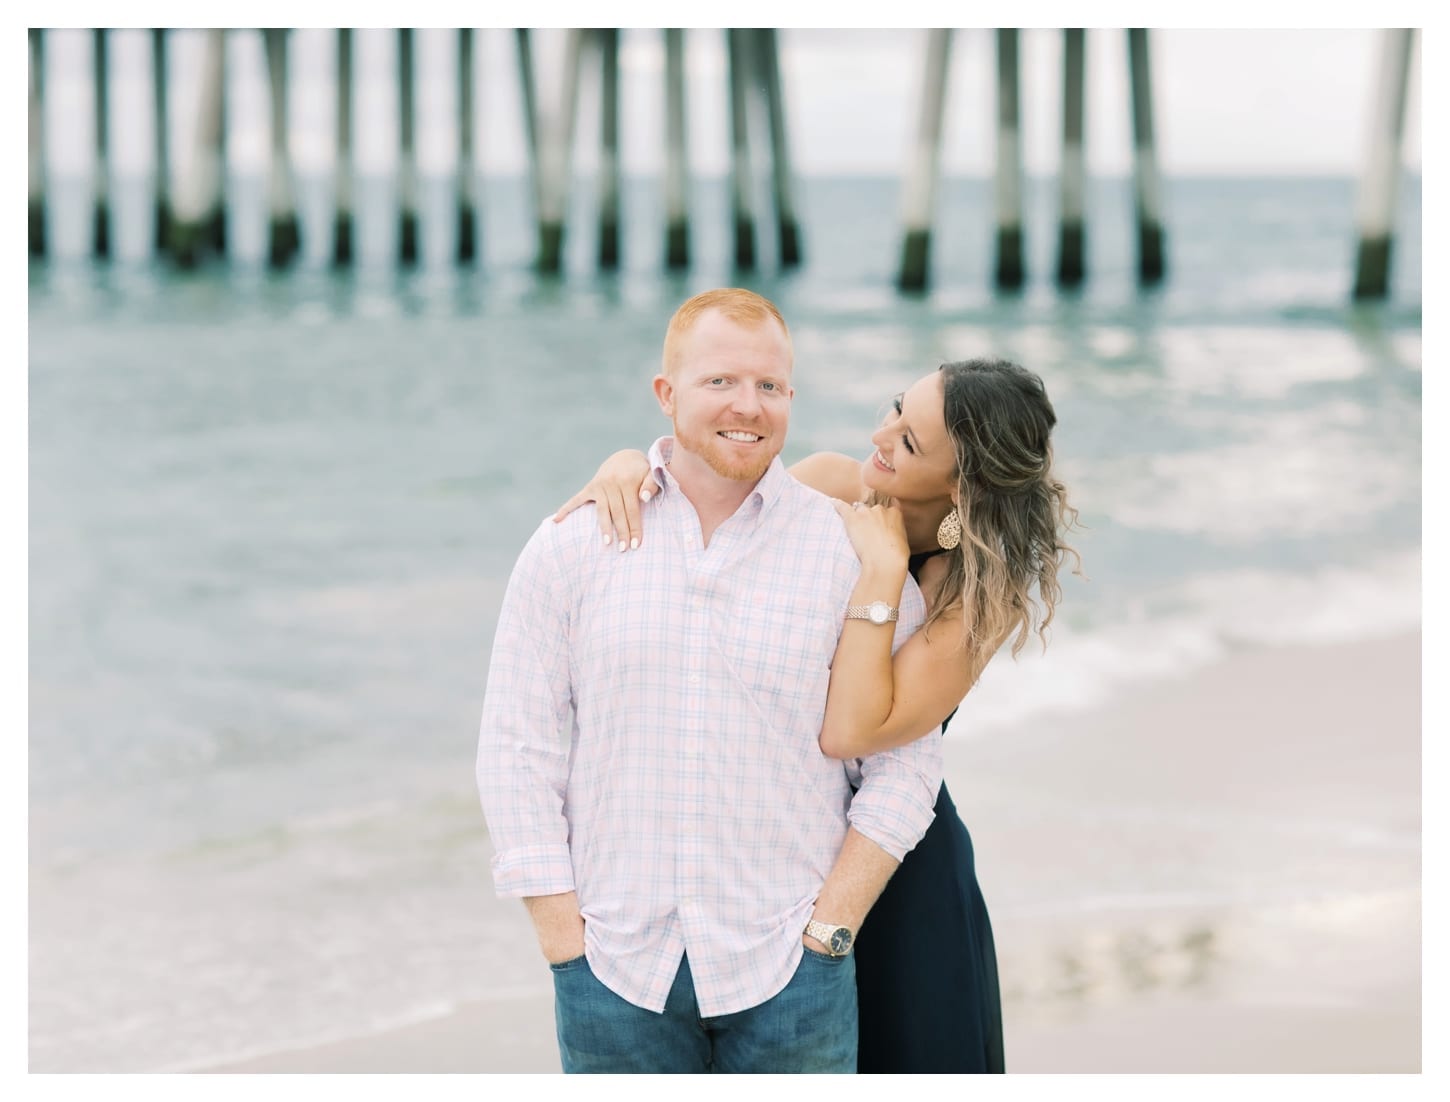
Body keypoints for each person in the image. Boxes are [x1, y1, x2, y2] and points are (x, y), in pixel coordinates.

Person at [555, 355, 1081, 1073]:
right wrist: (630, 465)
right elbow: (705, 541)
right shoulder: (834, 482)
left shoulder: (976, 597)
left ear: (961, 487)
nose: (881, 434)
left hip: (893, 876)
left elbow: (850, 730)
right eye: (897, 407)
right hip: (775, 847)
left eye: (910, 442)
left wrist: (883, 571)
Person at [476, 288, 944, 1074]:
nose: (748, 407)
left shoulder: (849, 555)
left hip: (791, 968)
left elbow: (903, 764)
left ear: (792, 396)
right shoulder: (572, 547)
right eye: (720, 382)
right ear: (667, 394)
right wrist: (563, 937)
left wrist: (831, 929)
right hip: (614, 968)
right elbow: (517, 748)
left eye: (770, 386)